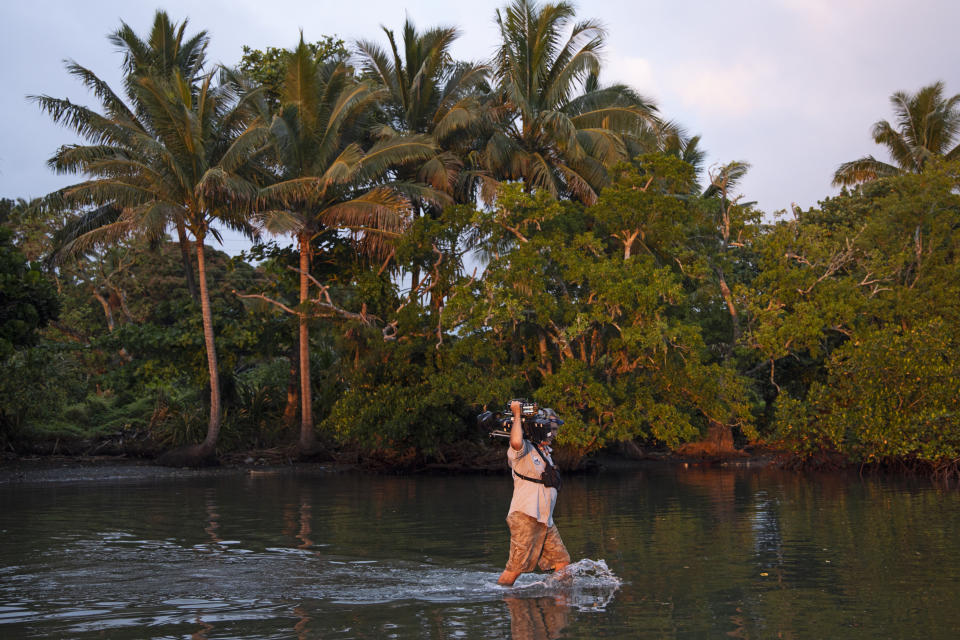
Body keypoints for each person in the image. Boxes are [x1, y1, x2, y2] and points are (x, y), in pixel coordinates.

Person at [497, 400, 571, 586]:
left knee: (562, 563)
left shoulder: (545, 451)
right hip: (526, 518)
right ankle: (503, 600)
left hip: (545, 520)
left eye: (555, 429)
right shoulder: (525, 449)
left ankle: (556, 607)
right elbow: (515, 441)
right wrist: (516, 415)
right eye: (551, 429)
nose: (554, 434)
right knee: (514, 571)